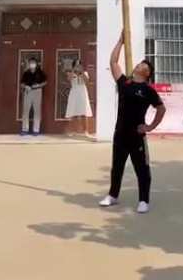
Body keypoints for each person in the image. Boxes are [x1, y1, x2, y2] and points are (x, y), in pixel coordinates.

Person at [100, 31, 166, 214]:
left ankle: (144, 200)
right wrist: (120, 41)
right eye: (140, 63)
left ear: (148, 73)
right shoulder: (125, 84)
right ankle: (113, 196)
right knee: (117, 167)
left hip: (137, 135)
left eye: (144, 65)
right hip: (120, 133)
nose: (140, 65)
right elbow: (113, 62)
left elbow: (161, 109)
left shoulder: (148, 90)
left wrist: (150, 127)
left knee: (142, 169)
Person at [65, 59, 93, 135]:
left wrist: (82, 72)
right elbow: (69, 79)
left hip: (82, 92)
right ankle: (72, 130)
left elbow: (87, 81)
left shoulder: (85, 73)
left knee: (85, 111)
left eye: (79, 65)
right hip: (74, 92)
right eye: (76, 65)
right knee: (72, 111)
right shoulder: (71, 73)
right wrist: (74, 71)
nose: (78, 66)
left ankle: (86, 131)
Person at [20, 58, 47, 135]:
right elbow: (22, 83)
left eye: (33, 63)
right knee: (26, 110)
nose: (32, 64)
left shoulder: (40, 72)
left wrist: (39, 85)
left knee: (37, 111)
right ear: (29, 64)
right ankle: (25, 129)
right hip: (28, 91)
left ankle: (36, 130)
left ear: (36, 64)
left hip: (37, 91)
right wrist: (25, 86)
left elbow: (45, 82)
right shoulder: (26, 73)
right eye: (31, 63)